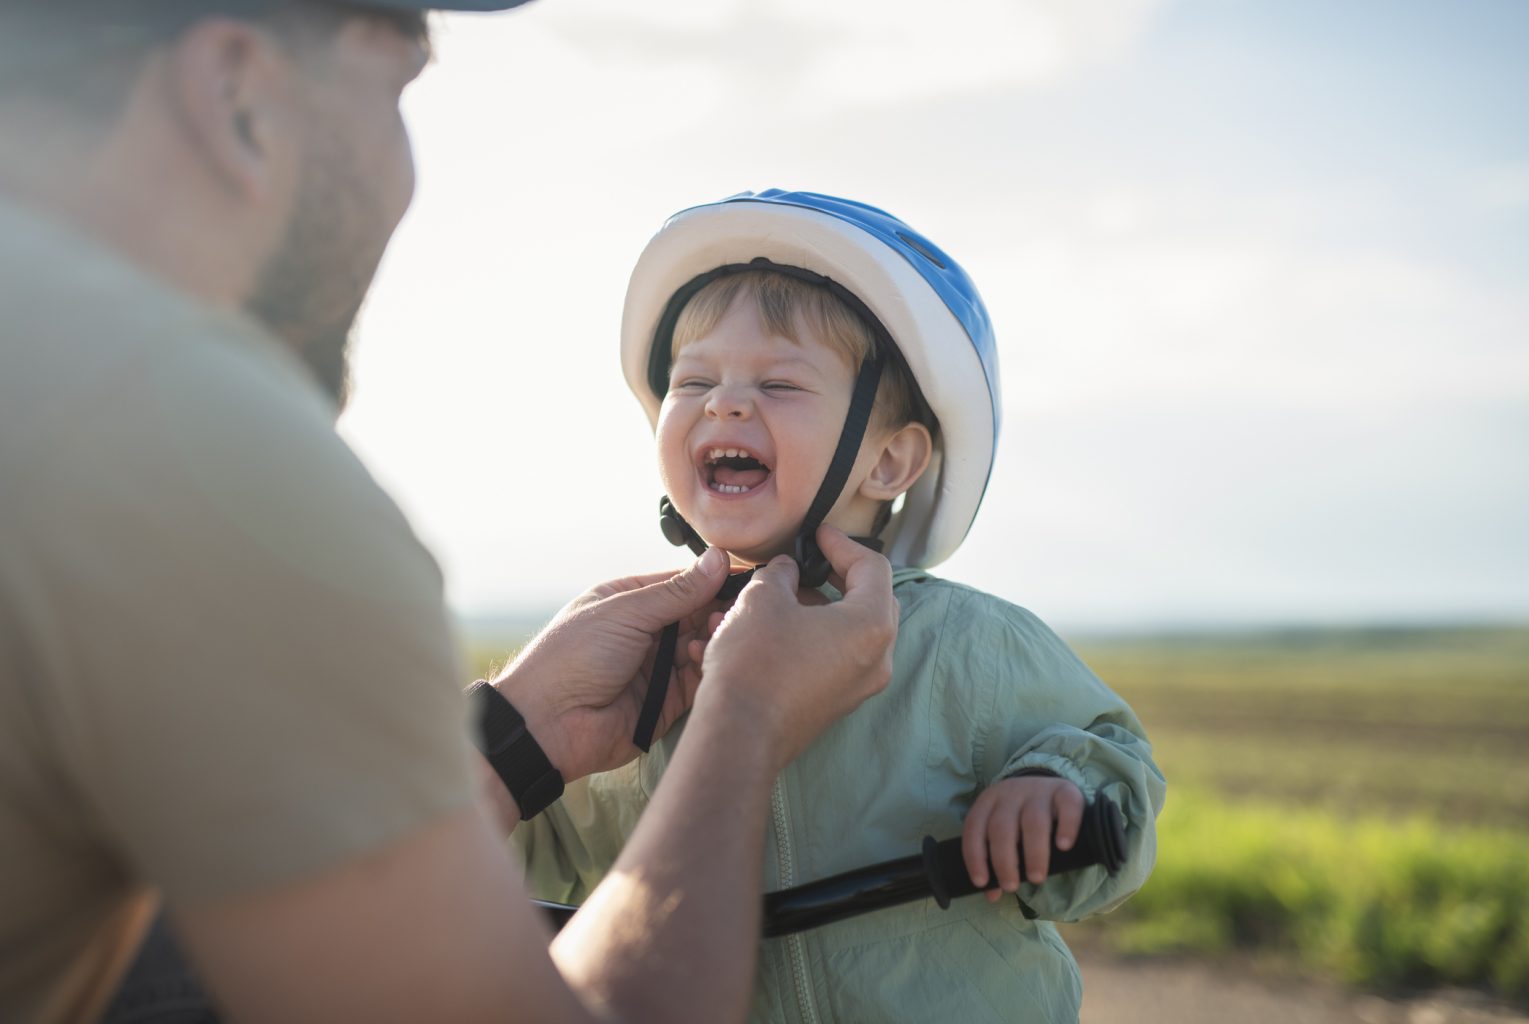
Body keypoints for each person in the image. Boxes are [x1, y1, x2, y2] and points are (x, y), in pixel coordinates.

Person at [0, 6, 901, 1024]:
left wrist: (520, 735)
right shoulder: (184, 440)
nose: (409, 175)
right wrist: (744, 720)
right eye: (398, 93)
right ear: (238, 97)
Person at [513, 190, 1168, 1023]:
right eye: (695, 379)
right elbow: (505, 858)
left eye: (780, 382)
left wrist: (1056, 787)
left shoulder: (964, 644)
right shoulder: (637, 665)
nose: (726, 403)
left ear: (891, 461)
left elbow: (1115, 761)